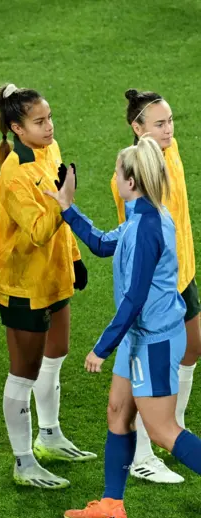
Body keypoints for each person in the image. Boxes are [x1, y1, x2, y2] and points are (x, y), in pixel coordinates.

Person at [50, 138, 201, 518]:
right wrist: (67, 206)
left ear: (131, 179)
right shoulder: (140, 216)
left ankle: (112, 502)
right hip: (140, 336)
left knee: (165, 431)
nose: (114, 177)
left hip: (154, 340)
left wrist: (101, 348)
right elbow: (102, 244)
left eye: (118, 172)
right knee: (118, 413)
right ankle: (112, 505)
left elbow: (134, 299)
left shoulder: (149, 226)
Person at [0, 83, 96, 490]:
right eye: (39, 121)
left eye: (50, 118)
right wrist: (62, 202)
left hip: (53, 274)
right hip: (23, 283)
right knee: (24, 372)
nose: (49, 126)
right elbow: (36, 230)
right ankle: (23, 461)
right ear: (18, 129)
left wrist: (73, 258)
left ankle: (49, 435)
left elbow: (59, 219)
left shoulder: (48, 151)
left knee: (57, 353)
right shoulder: (14, 175)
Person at [110, 89, 199, 484]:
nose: (169, 129)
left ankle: (172, 431)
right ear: (138, 127)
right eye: (159, 124)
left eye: (170, 121)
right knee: (137, 385)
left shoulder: (170, 149)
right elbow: (130, 241)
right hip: (157, 293)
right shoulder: (133, 179)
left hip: (184, 275)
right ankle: (148, 450)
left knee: (192, 351)